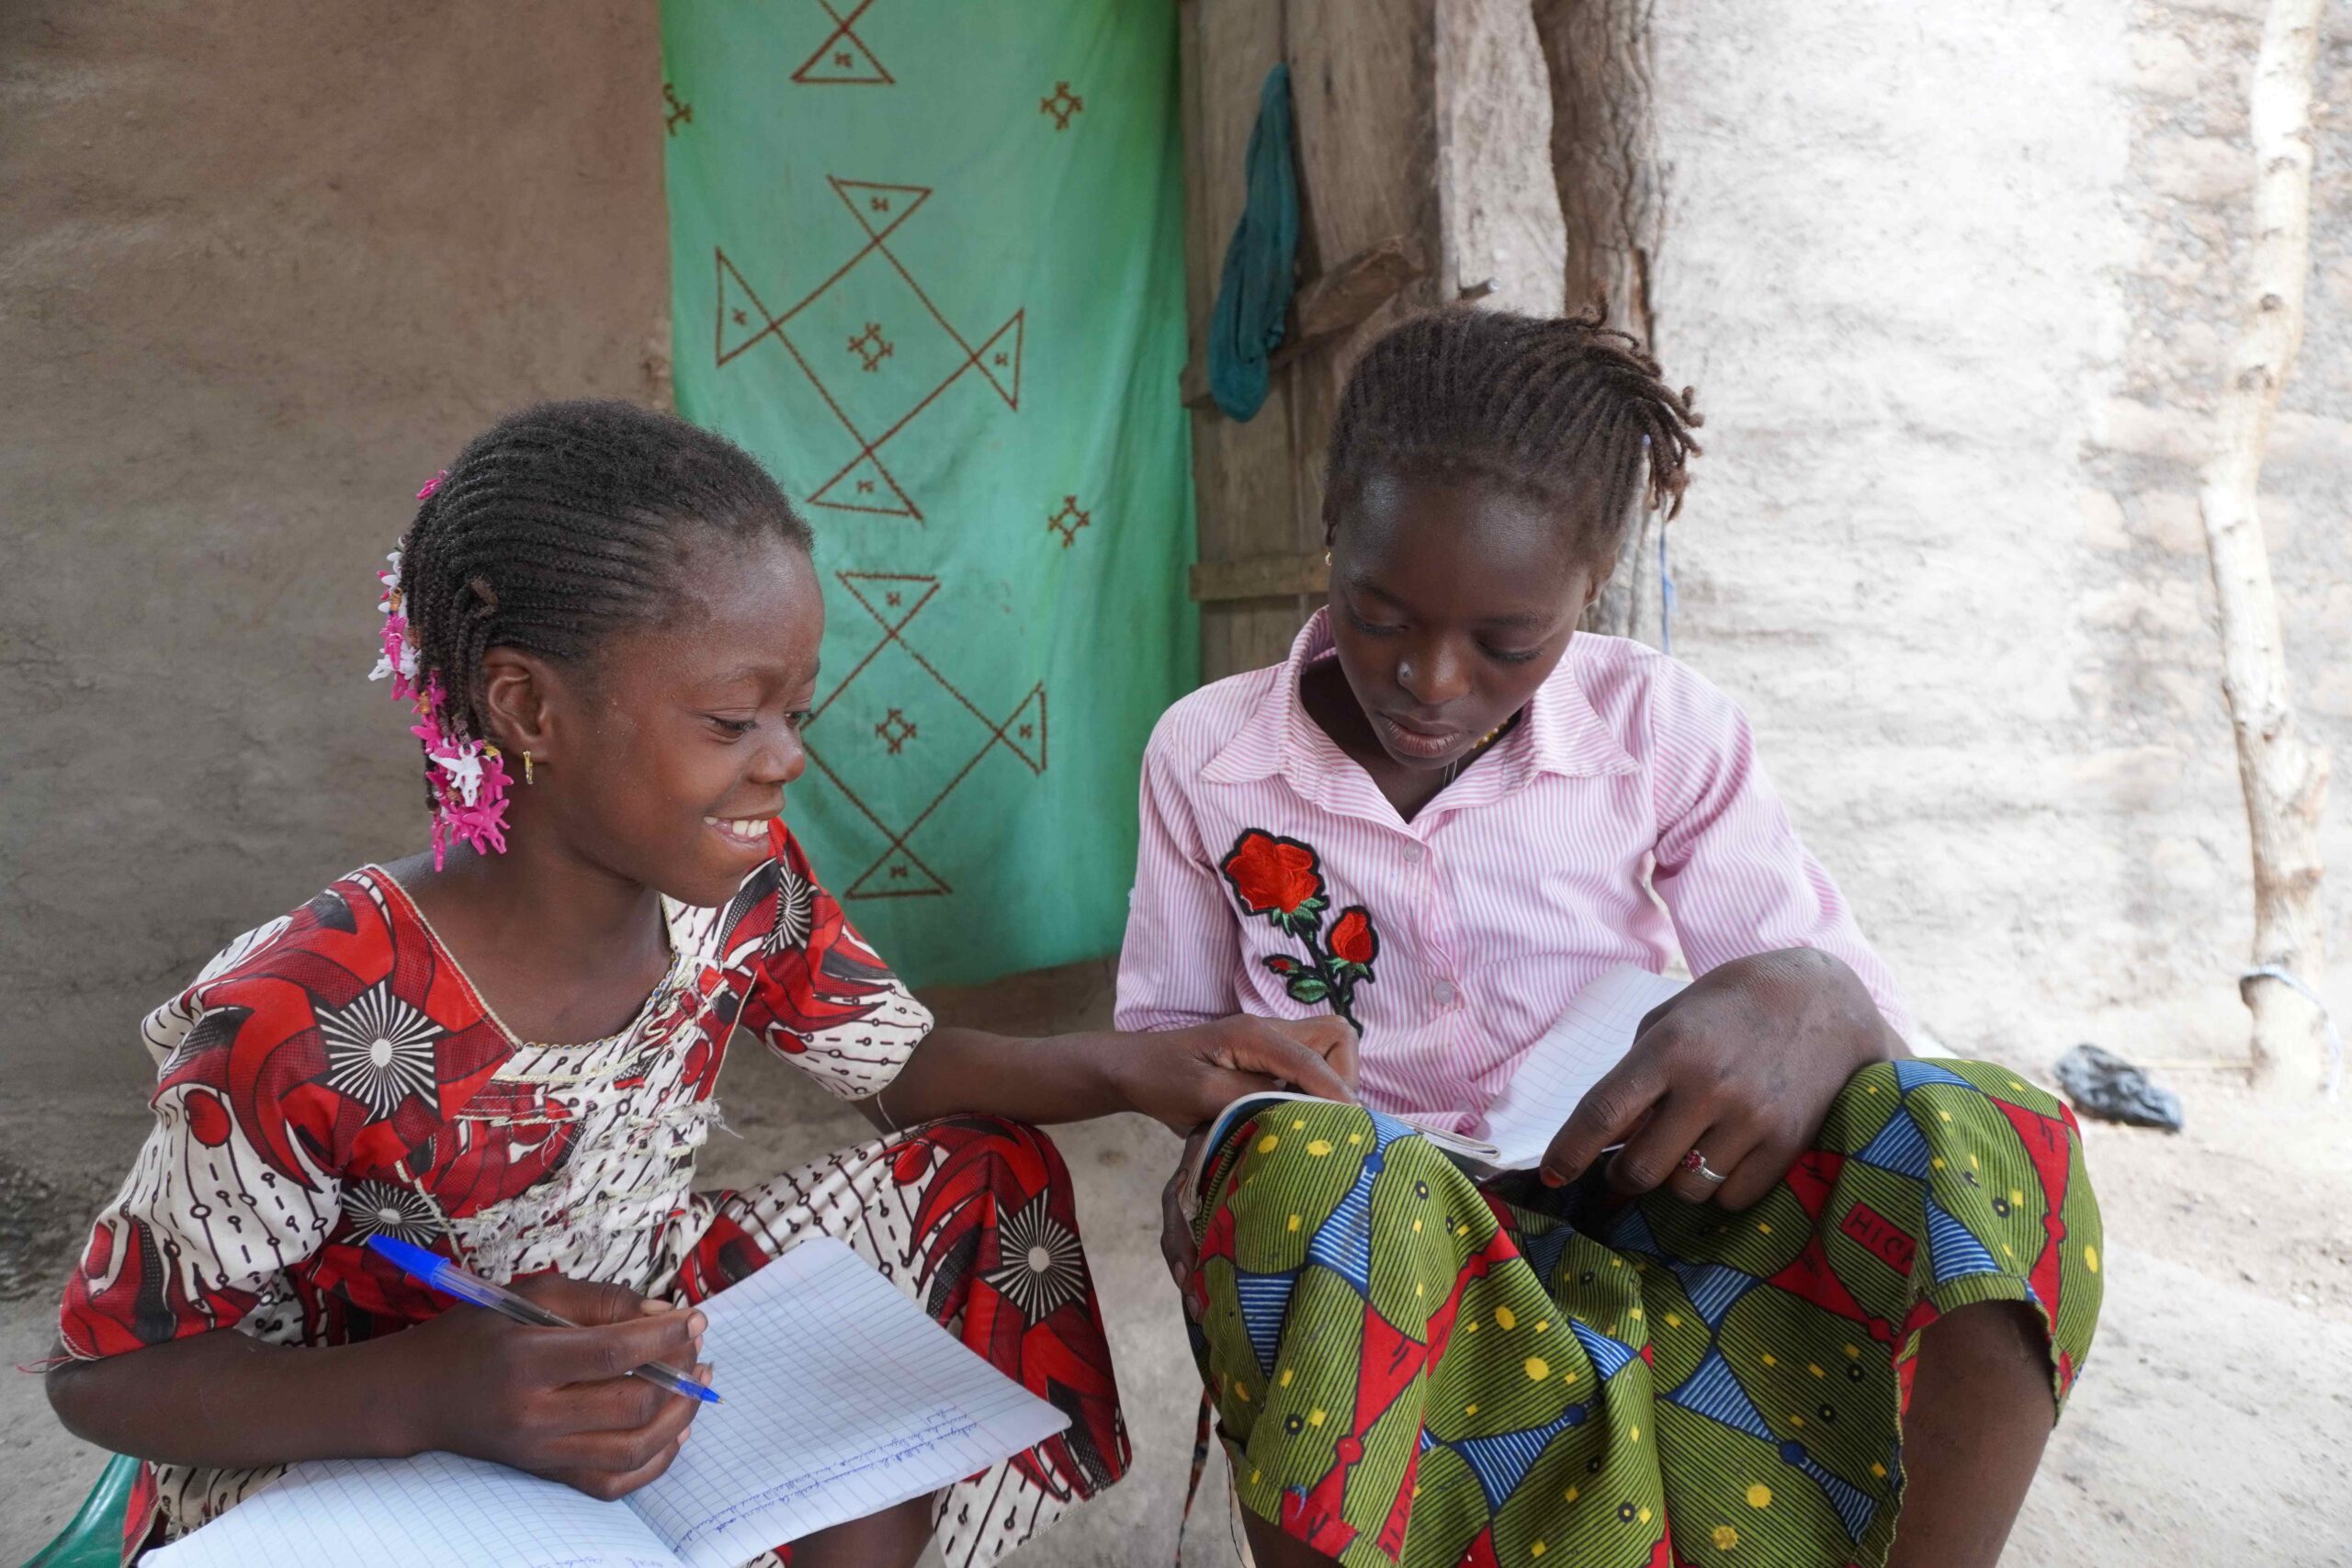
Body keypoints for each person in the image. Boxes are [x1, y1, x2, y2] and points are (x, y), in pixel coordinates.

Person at [45, 400, 1356, 1568]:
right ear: (529, 711)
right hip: (362, 1419)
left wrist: (1131, 1069)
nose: (784, 761)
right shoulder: (307, 1012)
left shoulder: (738, 893)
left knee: (974, 1179)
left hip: (629, 1339)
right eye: (734, 721)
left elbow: (896, 1065)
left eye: (798, 713)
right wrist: (436, 1393)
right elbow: (108, 1375)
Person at [1116, 309, 2102, 1568]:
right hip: (1384, 1237)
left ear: (1590, 591)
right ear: (1330, 533)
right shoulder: (1208, 756)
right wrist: (1246, 1109)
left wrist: (1803, 991)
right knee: (1300, 1175)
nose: (1429, 676)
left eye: (1506, 643)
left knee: (1989, 1126)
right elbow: (1162, 1039)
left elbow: (1846, 1018)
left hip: (1654, 1190)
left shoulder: (1660, 728)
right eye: (1378, 614)